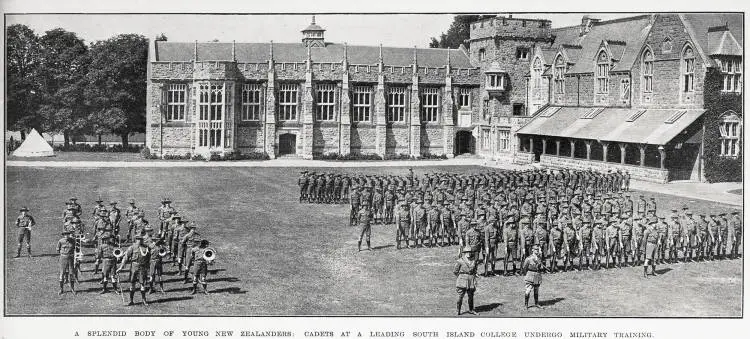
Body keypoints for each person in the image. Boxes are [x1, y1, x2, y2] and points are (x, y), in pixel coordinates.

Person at [117, 234, 151, 306]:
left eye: (141, 239)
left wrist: (148, 269)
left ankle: (144, 300)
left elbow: (148, 259)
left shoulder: (146, 248)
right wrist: (121, 267)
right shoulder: (132, 247)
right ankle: (131, 300)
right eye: (138, 239)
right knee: (132, 284)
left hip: (142, 268)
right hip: (134, 267)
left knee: (143, 284)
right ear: (136, 239)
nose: (139, 240)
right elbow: (126, 258)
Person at [453, 246, 478, 315]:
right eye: (467, 252)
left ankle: (471, 310)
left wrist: (475, 274)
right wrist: (461, 277)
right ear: (464, 253)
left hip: (471, 279)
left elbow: (475, 269)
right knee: (460, 296)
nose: (469, 254)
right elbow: (455, 271)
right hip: (462, 280)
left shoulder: (474, 260)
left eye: (470, 252)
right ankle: (458, 310)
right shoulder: (460, 261)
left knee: (471, 296)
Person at [522, 245, 544, 309]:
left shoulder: (539, 257)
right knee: (528, 290)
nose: (537, 251)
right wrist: (527, 274)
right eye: (536, 249)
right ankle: (526, 305)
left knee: (536, 290)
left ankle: (536, 303)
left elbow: (539, 266)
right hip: (530, 275)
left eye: (538, 249)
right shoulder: (529, 258)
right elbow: (524, 268)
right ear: (532, 250)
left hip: (537, 275)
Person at [56, 230, 77, 295]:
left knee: (71, 273)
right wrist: (63, 254)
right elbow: (57, 250)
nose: (66, 236)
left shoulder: (73, 241)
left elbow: (76, 249)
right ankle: (61, 289)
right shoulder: (61, 241)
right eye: (65, 235)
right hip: (63, 258)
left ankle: (72, 289)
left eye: (67, 234)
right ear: (63, 235)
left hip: (71, 258)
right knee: (62, 274)